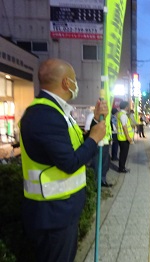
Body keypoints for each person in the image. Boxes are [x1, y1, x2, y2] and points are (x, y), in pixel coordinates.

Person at [19, 58, 108, 262]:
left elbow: (75, 149)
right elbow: (70, 162)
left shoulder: (56, 112)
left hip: (59, 212)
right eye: (74, 80)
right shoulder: (45, 115)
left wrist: (95, 121)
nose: (76, 84)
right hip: (53, 215)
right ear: (66, 83)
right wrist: (94, 138)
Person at [84, 110, 111, 188]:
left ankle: (102, 181)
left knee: (105, 163)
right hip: (97, 143)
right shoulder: (92, 116)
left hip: (105, 143)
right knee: (96, 163)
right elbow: (87, 130)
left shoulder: (106, 117)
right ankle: (95, 183)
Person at [117, 101, 134, 173]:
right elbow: (124, 127)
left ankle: (122, 167)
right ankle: (122, 168)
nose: (128, 107)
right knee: (124, 154)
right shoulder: (123, 115)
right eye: (128, 106)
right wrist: (128, 138)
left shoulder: (120, 114)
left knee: (122, 154)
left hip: (122, 137)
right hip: (124, 138)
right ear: (126, 107)